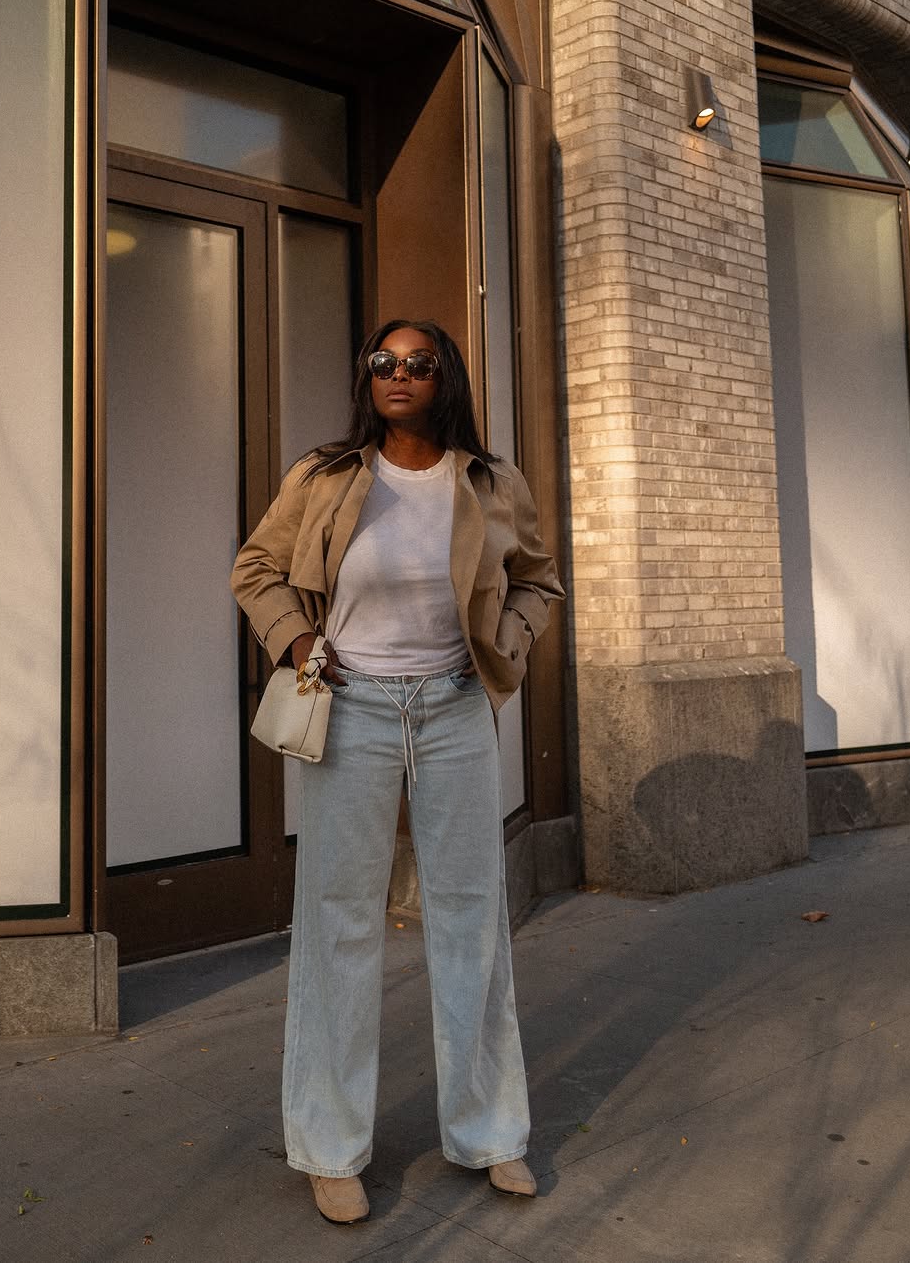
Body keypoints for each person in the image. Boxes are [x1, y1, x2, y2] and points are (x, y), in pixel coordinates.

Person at [230, 319, 564, 1224]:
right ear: (366, 378)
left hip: (456, 709)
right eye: (384, 362)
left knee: (471, 918)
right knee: (339, 920)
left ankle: (492, 1133)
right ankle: (331, 1147)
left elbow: (539, 581)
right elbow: (256, 567)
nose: (400, 375)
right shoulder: (327, 476)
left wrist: (504, 649)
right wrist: (297, 637)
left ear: (444, 378)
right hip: (356, 713)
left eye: (419, 364)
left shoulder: (490, 483)